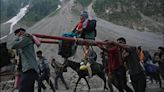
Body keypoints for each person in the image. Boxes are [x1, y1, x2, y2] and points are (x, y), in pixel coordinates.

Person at [12, 28, 39, 92]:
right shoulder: (25, 40)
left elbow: (13, 45)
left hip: (29, 69)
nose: (17, 37)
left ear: (21, 32)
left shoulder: (26, 38)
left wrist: (19, 37)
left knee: (22, 89)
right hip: (28, 70)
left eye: (17, 35)